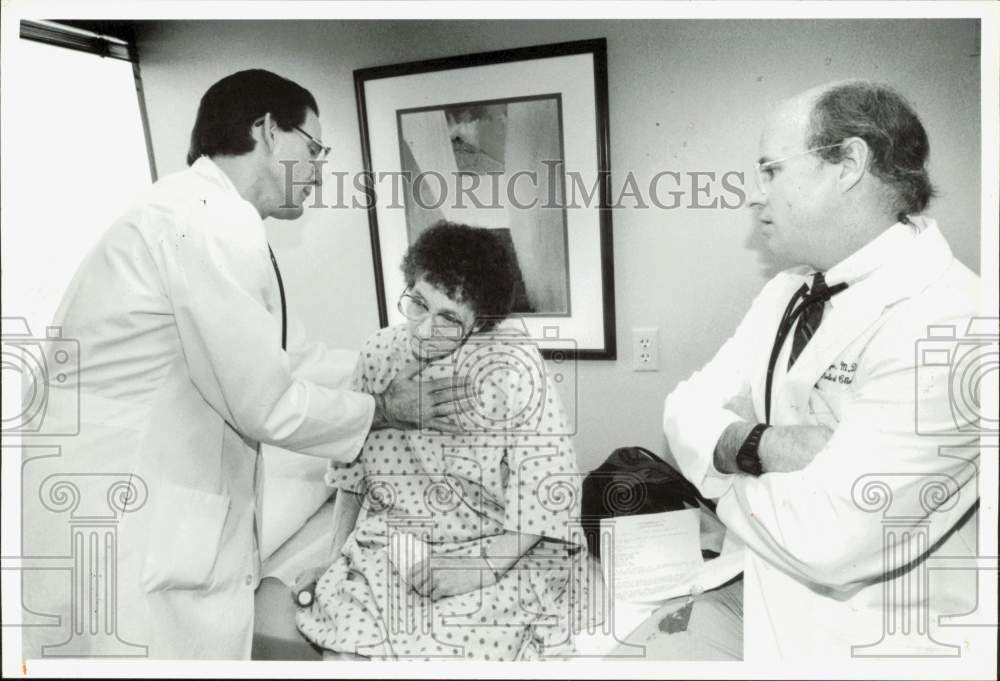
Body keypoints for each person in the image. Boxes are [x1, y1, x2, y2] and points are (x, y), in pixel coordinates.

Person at [20, 69, 465, 660]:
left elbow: (290, 358)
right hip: (127, 503)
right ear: (266, 130)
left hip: (129, 491)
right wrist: (385, 410)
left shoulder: (207, 215)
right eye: (313, 148)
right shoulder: (206, 223)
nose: (318, 170)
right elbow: (268, 404)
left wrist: (399, 356)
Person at [662, 81, 982, 659]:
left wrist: (721, 458)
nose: (754, 196)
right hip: (765, 601)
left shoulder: (954, 322)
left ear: (849, 164)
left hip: (883, 647)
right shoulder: (790, 289)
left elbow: (827, 537)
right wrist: (764, 445)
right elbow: (682, 408)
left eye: (772, 170)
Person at [295, 222, 586, 661]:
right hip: (392, 545)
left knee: (456, 646)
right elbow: (352, 477)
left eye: (449, 318)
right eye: (418, 304)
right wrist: (332, 558)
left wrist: (477, 570)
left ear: (481, 325)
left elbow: (547, 490)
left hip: (494, 547)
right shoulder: (377, 353)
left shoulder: (514, 366)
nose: (424, 330)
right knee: (353, 644)